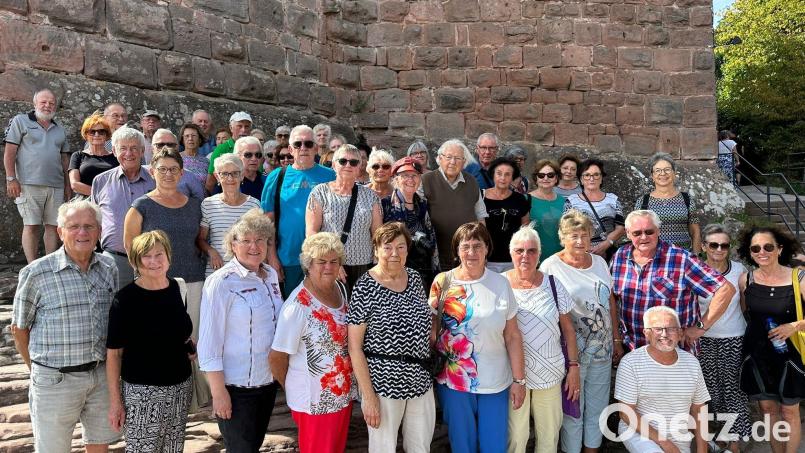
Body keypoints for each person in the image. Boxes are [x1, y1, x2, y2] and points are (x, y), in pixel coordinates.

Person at [12, 199, 119, 452]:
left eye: (89, 226)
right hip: (55, 379)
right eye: (74, 226)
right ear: (60, 232)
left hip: (100, 375)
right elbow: (19, 329)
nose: (82, 233)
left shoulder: (108, 267)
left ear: (99, 232)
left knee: (99, 446)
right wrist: (38, 371)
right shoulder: (36, 273)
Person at [123, 147, 209, 409]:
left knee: (194, 338)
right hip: (160, 285)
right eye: (163, 169)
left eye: (174, 169)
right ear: (152, 171)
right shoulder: (141, 207)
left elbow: (199, 240)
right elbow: (131, 248)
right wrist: (147, 282)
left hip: (194, 279)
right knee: (167, 340)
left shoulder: (195, 205)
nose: (168, 174)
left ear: (182, 172)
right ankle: (170, 398)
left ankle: (198, 397)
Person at [431, 222, 525, 453]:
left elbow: (512, 335)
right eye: (465, 247)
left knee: (494, 446)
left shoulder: (501, 283)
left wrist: (519, 380)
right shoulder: (442, 282)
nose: (471, 252)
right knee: (462, 445)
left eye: (477, 246)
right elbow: (431, 331)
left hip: (496, 381)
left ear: (487, 249)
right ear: (457, 250)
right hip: (453, 381)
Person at [199, 209, 284, 453]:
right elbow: (208, 343)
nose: (254, 246)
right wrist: (218, 393)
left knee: (253, 447)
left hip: (267, 384)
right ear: (233, 244)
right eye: (245, 240)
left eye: (260, 240)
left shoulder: (269, 276)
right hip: (236, 389)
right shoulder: (221, 282)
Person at [348, 223, 435, 452]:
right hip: (383, 385)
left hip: (420, 381)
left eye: (401, 247)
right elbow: (354, 347)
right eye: (387, 247)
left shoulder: (415, 278)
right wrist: (368, 397)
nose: (394, 253)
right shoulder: (365, 286)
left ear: (408, 250)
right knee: (383, 448)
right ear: (376, 250)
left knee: (421, 447)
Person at [540, 210, 622, 453]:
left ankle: (592, 450)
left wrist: (616, 339)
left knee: (597, 407)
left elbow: (610, 302)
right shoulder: (550, 267)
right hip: (570, 353)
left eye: (584, 235)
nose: (579, 241)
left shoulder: (599, 262)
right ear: (562, 237)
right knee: (573, 408)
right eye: (573, 236)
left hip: (603, 349)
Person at [106, 230, 194, 452]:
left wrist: (189, 347)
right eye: (146, 256)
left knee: (174, 449)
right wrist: (116, 402)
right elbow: (114, 354)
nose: (154, 261)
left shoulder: (177, 287)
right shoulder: (125, 299)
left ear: (168, 255)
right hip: (142, 393)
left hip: (180, 388)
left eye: (159, 254)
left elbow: (179, 332)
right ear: (136, 261)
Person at [269, 232, 356, 453]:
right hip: (314, 403)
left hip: (341, 396)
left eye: (334, 261)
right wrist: (293, 387)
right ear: (308, 264)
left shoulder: (340, 289)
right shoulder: (297, 306)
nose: (328, 267)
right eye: (321, 262)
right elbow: (277, 357)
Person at [611, 210, 736, 352]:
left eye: (649, 231)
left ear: (659, 231)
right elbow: (611, 300)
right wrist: (616, 340)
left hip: (676, 351)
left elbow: (725, 289)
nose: (643, 237)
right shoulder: (620, 256)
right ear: (628, 233)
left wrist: (701, 327)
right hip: (632, 349)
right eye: (637, 233)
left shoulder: (680, 259)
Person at [504, 227, 579, 453]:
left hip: (550, 374)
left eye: (531, 251)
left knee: (549, 437)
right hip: (513, 376)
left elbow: (568, 330)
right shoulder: (499, 284)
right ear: (511, 253)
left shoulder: (553, 284)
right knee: (516, 437)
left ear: (539, 254)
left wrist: (574, 367)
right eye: (519, 251)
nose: (525, 256)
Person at [737, 225, 805, 453]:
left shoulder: (800, 277)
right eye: (755, 248)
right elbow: (748, 314)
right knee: (767, 410)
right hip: (758, 354)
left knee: (789, 411)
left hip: (790, 355)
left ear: (780, 249)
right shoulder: (746, 279)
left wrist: (794, 326)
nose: (761, 252)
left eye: (768, 247)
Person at [614, 306, 711, 453]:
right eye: (657, 329)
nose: (664, 334)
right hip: (639, 432)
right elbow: (626, 413)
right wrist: (666, 444)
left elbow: (699, 409)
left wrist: (702, 450)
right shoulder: (631, 363)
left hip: (678, 435)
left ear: (680, 333)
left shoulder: (692, 363)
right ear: (646, 333)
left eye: (671, 329)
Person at [262, 125, 336, 297]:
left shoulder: (330, 176)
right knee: (290, 311)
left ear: (316, 148)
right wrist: (272, 257)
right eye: (298, 144)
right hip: (288, 258)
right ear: (290, 149)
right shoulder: (276, 177)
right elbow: (268, 222)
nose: (303, 148)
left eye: (308, 144)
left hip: (323, 258)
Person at [696, 224, 750, 452]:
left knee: (734, 390)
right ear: (704, 246)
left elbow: (746, 305)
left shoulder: (739, 271)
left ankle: (735, 440)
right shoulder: (695, 269)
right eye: (714, 244)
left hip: (734, 337)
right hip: (704, 339)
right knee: (711, 391)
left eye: (724, 245)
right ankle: (721, 433)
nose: (719, 249)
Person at [3, 88, 71, 263]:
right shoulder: (20, 121)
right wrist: (11, 178)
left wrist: (67, 185)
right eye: (43, 102)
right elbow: (10, 151)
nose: (47, 106)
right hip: (28, 183)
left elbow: (65, 160)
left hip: (56, 185)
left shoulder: (60, 129)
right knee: (31, 225)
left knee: (53, 226)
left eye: (51, 103)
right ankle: (32, 266)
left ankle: (49, 264)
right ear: (34, 104)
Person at [306, 144, 382, 291]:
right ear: (334, 164)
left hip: (364, 268)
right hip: (328, 266)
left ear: (360, 166)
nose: (348, 165)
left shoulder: (371, 196)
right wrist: (331, 263)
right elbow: (311, 233)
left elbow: (378, 235)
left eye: (353, 162)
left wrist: (377, 267)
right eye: (343, 161)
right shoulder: (319, 193)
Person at [91, 126, 155, 287]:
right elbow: (94, 221)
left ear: (142, 151)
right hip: (114, 260)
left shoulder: (155, 180)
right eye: (123, 148)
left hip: (152, 260)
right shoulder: (101, 181)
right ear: (114, 150)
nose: (129, 153)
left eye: (134, 148)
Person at [421, 139, 487, 271]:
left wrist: (482, 248)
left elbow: (480, 217)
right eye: (449, 157)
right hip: (435, 254)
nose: (452, 162)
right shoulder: (425, 180)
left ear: (464, 162)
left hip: (467, 255)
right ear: (439, 158)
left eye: (458, 158)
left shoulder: (472, 182)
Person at [198, 153, 262, 276]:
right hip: (217, 272)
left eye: (235, 173)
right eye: (225, 174)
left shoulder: (254, 205)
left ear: (242, 175)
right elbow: (201, 239)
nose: (230, 178)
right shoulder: (208, 204)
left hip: (247, 272)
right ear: (217, 176)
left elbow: (260, 241)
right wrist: (211, 251)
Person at [382, 157, 439, 288]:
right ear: (396, 179)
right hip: (396, 269)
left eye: (415, 176)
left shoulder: (423, 204)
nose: (410, 180)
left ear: (420, 179)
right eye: (405, 175)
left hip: (424, 271)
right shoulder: (385, 205)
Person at [635, 153, 701, 253]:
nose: (663, 173)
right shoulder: (643, 202)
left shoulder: (686, 199)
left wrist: (696, 257)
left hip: (682, 259)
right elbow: (637, 233)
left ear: (674, 173)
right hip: (653, 259)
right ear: (652, 176)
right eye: (658, 170)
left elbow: (695, 232)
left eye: (667, 169)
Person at [563, 158, 625, 259]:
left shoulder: (613, 199)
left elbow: (620, 228)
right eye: (587, 175)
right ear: (581, 180)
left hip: (608, 254)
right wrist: (585, 248)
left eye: (596, 175)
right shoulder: (571, 201)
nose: (592, 179)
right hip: (580, 253)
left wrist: (605, 244)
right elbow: (566, 229)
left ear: (601, 178)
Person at [483, 157, 530, 273]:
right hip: (487, 259)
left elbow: (525, 226)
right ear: (493, 175)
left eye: (507, 174)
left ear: (512, 177)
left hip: (513, 259)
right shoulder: (481, 197)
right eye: (499, 174)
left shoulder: (520, 199)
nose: (502, 178)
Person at [69, 114, 118, 199]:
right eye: (92, 132)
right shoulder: (78, 156)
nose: (96, 134)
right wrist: (100, 195)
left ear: (106, 135)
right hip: (85, 202)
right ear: (86, 135)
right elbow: (74, 184)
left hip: (111, 201)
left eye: (101, 131)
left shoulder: (116, 157)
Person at [151, 129, 205, 199]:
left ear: (177, 148)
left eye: (170, 145)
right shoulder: (140, 174)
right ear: (152, 148)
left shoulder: (190, 177)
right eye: (160, 145)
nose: (165, 148)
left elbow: (199, 204)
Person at [206, 112, 253, 192]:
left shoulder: (254, 147)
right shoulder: (221, 149)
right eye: (239, 126)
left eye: (247, 126)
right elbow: (210, 182)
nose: (243, 130)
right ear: (231, 128)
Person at [528, 159, 565, 262]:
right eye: (541, 175)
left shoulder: (564, 201)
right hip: (534, 257)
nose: (545, 178)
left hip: (560, 257)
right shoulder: (526, 200)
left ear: (556, 177)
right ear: (536, 178)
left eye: (550, 175)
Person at [180, 123, 211, 193]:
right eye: (187, 136)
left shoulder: (206, 162)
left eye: (193, 136)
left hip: (201, 200)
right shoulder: (176, 159)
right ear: (183, 140)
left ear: (199, 139)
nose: (190, 139)